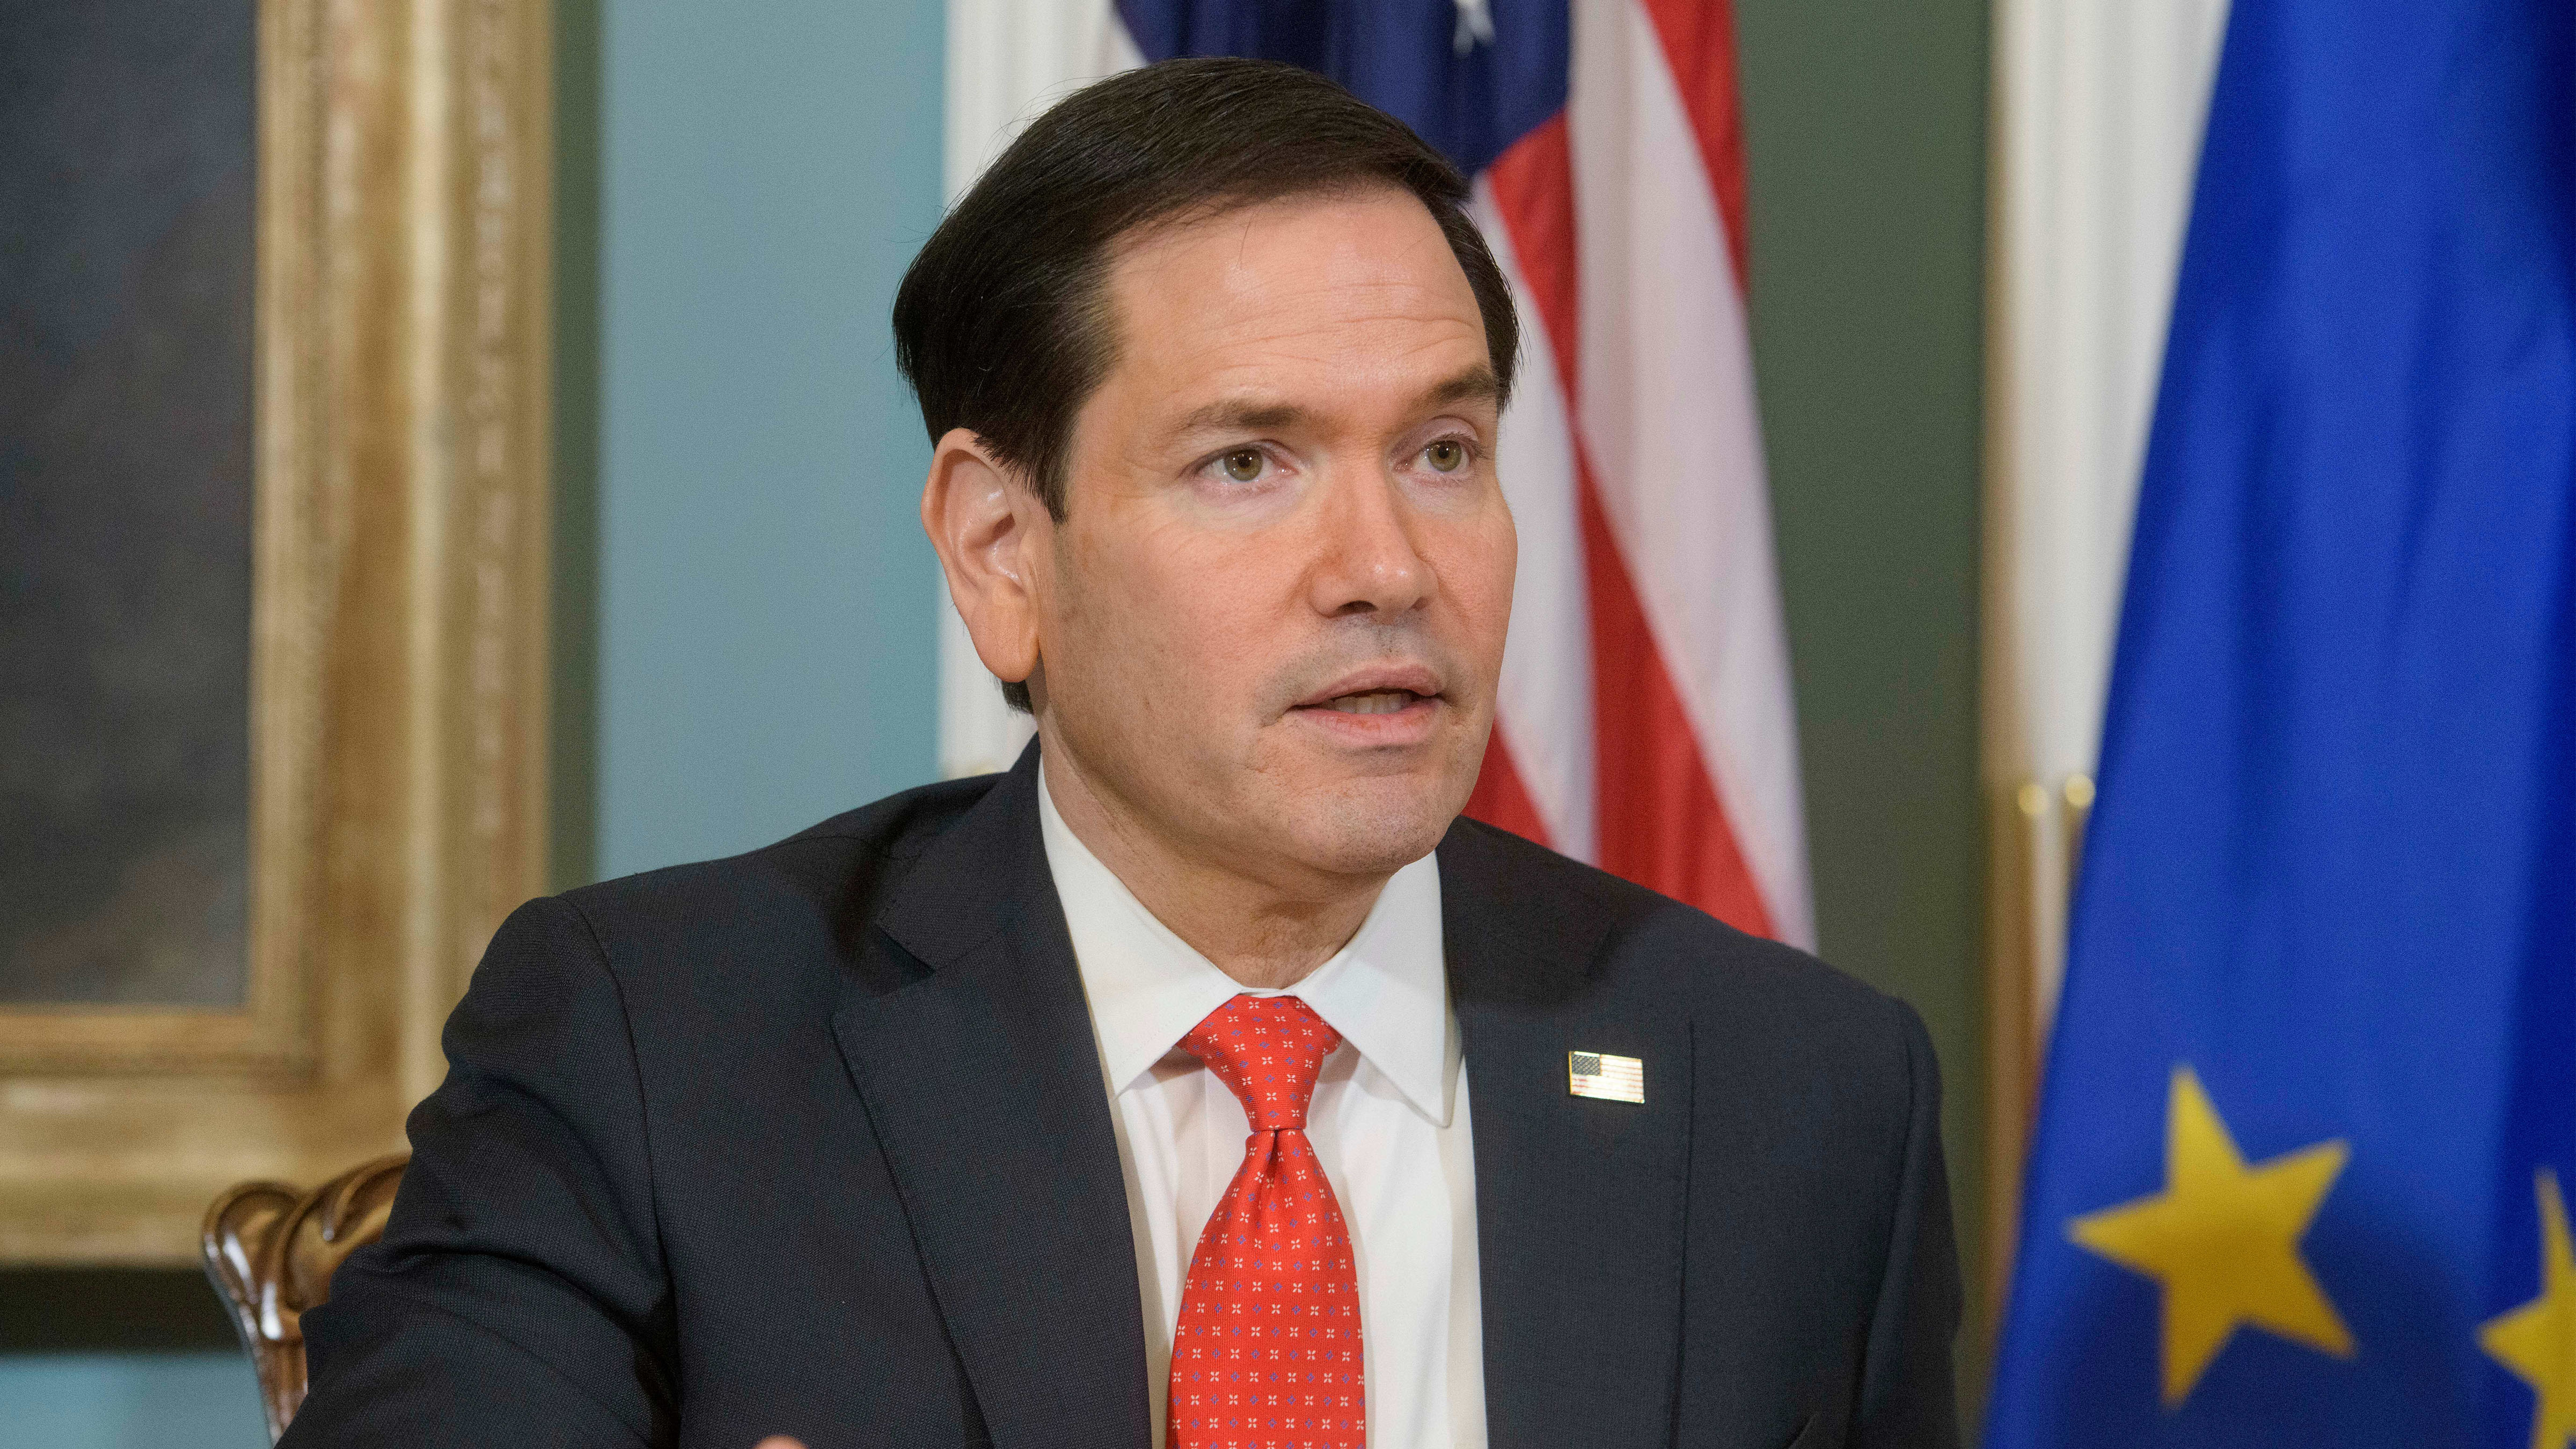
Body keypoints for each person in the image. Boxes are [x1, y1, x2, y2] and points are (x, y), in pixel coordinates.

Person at [286, 57, 1959, 1449]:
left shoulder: (1800, 1096)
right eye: (1249, 462)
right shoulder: (660, 1046)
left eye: (1444, 449)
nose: (1388, 563)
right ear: (1005, 548)